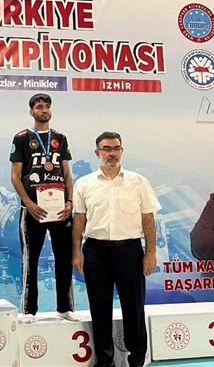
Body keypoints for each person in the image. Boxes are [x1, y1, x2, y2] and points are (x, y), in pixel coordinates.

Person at [72, 131, 160, 367]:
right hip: (95, 252)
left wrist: (151, 253)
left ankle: (137, 360)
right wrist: (76, 252)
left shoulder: (138, 182)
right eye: (107, 149)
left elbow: (148, 219)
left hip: (129, 251)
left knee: (134, 309)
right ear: (97, 152)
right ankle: (105, 362)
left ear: (122, 151)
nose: (112, 153)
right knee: (99, 310)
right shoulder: (84, 184)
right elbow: (79, 219)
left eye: (116, 148)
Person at [9, 93, 79, 324]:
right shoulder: (22, 138)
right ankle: (29, 310)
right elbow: (15, 176)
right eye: (39, 107)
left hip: (60, 209)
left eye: (47, 106)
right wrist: (28, 204)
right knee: (31, 260)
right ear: (31, 112)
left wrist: (70, 202)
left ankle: (65, 307)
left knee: (64, 257)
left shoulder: (60, 138)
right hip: (33, 210)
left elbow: (67, 174)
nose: (44, 110)